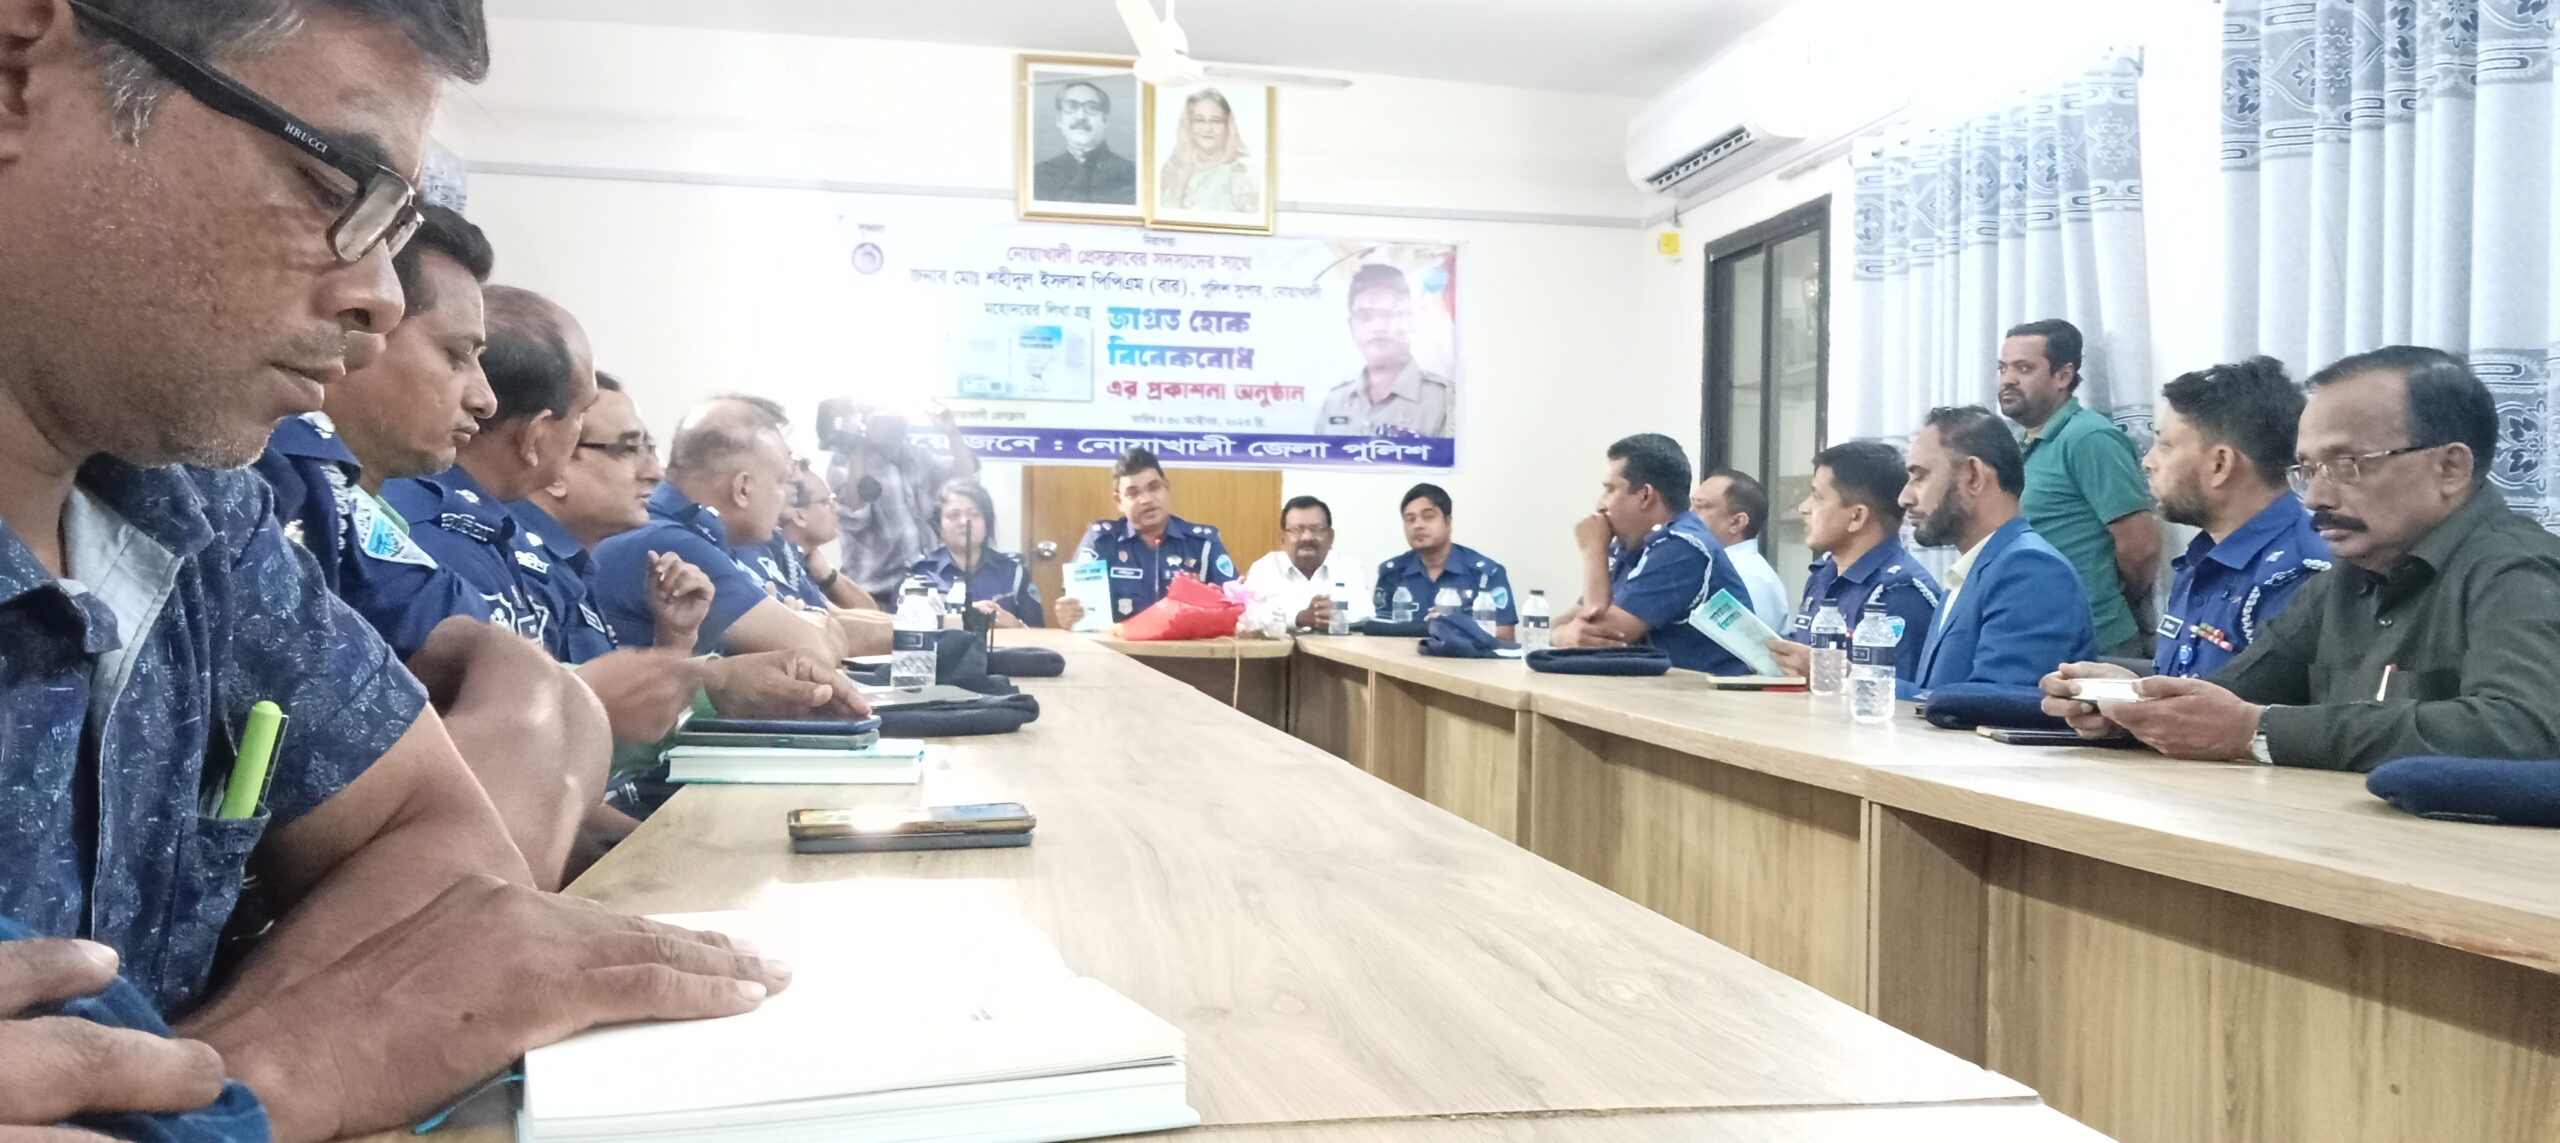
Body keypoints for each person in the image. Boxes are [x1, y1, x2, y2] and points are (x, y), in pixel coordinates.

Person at [0, 2, 785, 1139]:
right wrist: (276, 1074)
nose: (380, 295)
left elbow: (439, 829)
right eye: (334, 184)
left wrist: (230, 1080)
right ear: (20, 69)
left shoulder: (186, 509)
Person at [257, 211, 615, 886]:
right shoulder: (273, 474)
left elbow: (491, 653)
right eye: (456, 355)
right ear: (358, 328)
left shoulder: (333, 492)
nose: (484, 398)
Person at [2044, 347, 2560, 771]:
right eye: (2307, 470)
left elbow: (2522, 728)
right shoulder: (2346, 580)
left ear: (2450, 468)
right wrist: (2128, 704)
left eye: (2346, 464)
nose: (2315, 497)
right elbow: (2227, 697)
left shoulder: (2516, 570)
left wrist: (2259, 731)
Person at [595, 399, 877, 658]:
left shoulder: (705, 531)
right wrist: (814, 622)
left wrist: (810, 621)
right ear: (743, 488)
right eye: (780, 482)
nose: (787, 500)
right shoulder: (669, 542)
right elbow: (816, 650)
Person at [2142, 357, 2329, 677]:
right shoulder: (2206, 556)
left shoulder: (2296, 576)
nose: (2148, 461)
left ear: (2220, 464)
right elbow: (2185, 687)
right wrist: (2127, 690)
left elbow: (2257, 704)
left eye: (2165, 445)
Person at [1899, 407, 2098, 699]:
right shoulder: (1977, 569)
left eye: (1920, 477)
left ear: (1974, 476)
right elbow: (1937, 696)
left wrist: (1859, 683)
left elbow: (1995, 704)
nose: (1904, 497)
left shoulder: (2030, 569)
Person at [2000, 318, 2162, 657]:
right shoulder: (2016, 442)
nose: (2008, 379)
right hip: (2034, 635)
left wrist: (2106, 598)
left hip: (2094, 641)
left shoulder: (2088, 437)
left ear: (2063, 376)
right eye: (2003, 368)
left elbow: (2141, 547)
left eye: (2024, 368)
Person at [1552, 434, 1751, 673]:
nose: (1600, 505)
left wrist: (1593, 550)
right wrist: (1562, 635)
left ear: (1645, 495)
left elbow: (1602, 637)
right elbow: (1569, 621)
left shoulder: (1683, 547)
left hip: (1707, 694)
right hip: (1661, 691)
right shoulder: (1631, 546)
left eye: (1610, 490)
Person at [1761, 441, 1942, 680]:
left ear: (1856, 516)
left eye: (1817, 497)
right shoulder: (1823, 573)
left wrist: (1828, 670)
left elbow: (1902, 694)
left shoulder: (1900, 591)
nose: (1804, 507)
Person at [1056, 447, 1236, 627]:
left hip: (1186, 644)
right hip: (1118, 643)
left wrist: (1241, 598)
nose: (1146, 499)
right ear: (1119, 501)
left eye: (1154, 488)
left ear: (1166, 487)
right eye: (1133, 493)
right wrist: (1069, 615)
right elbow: (1079, 612)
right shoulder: (1101, 542)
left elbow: (1234, 603)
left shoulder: (1203, 544)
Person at [821, 399, 979, 599]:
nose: (889, 424)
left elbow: (966, 477)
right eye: (880, 419)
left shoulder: (917, 455)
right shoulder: (844, 462)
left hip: (926, 585)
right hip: (875, 591)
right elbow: (854, 518)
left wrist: (951, 432)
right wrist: (855, 449)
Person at [1315, 264, 1453, 439]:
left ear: (1411, 322)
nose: (1378, 327)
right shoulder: (1334, 402)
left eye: (1390, 314)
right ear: (1351, 327)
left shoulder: (1445, 400)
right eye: (1365, 316)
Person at [1372, 484, 1515, 639]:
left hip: (1464, 655)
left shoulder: (1485, 574)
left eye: (1428, 517)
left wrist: (1458, 626)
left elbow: (1505, 635)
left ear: (1448, 521)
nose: (1418, 525)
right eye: (1410, 519)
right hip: (1402, 654)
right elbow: (1378, 632)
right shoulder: (1392, 574)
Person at [911, 480, 1043, 628]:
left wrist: (1016, 625)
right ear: (939, 526)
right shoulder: (919, 573)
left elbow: (1038, 632)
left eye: (974, 514)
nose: (963, 522)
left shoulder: (1014, 573)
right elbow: (900, 627)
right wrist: (961, 618)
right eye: (953, 515)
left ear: (987, 523)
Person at [1244, 494, 1370, 631]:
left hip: (1339, 645)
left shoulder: (1349, 567)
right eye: (1297, 530)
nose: (1307, 537)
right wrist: (1298, 618)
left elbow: (1366, 614)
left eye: (1316, 529)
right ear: (1282, 539)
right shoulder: (1265, 568)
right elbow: (1248, 618)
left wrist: (1335, 618)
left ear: (1331, 537)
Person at [1691, 468, 1792, 632]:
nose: (1689, 516)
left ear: (1736, 522)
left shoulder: (1749, 578)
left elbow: (1753, 644)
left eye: (1701, 507)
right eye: (1691, 505)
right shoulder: (1711, 566)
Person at [773, 464, 876, 611]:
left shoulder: (809, 562)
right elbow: (844, 620)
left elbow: (870, 610)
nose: (837, 508)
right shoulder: (779, 566)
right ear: (799, 516)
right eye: (827, 502)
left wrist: (828, 575)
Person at [1030, 78, 1136, 204]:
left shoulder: (1132, 175)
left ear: (1105, 120)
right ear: (1059, 120)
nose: (1081, 116)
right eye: (1071, 106)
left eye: (1092, 108)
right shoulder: (1038, 175)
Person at [1157, 87, 1259, 214]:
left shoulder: (1244, 172)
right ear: (1188, 125)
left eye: (1216, 121)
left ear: (1228, 126)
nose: (1207, 128)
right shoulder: (1172, 169)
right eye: (1199, 120)